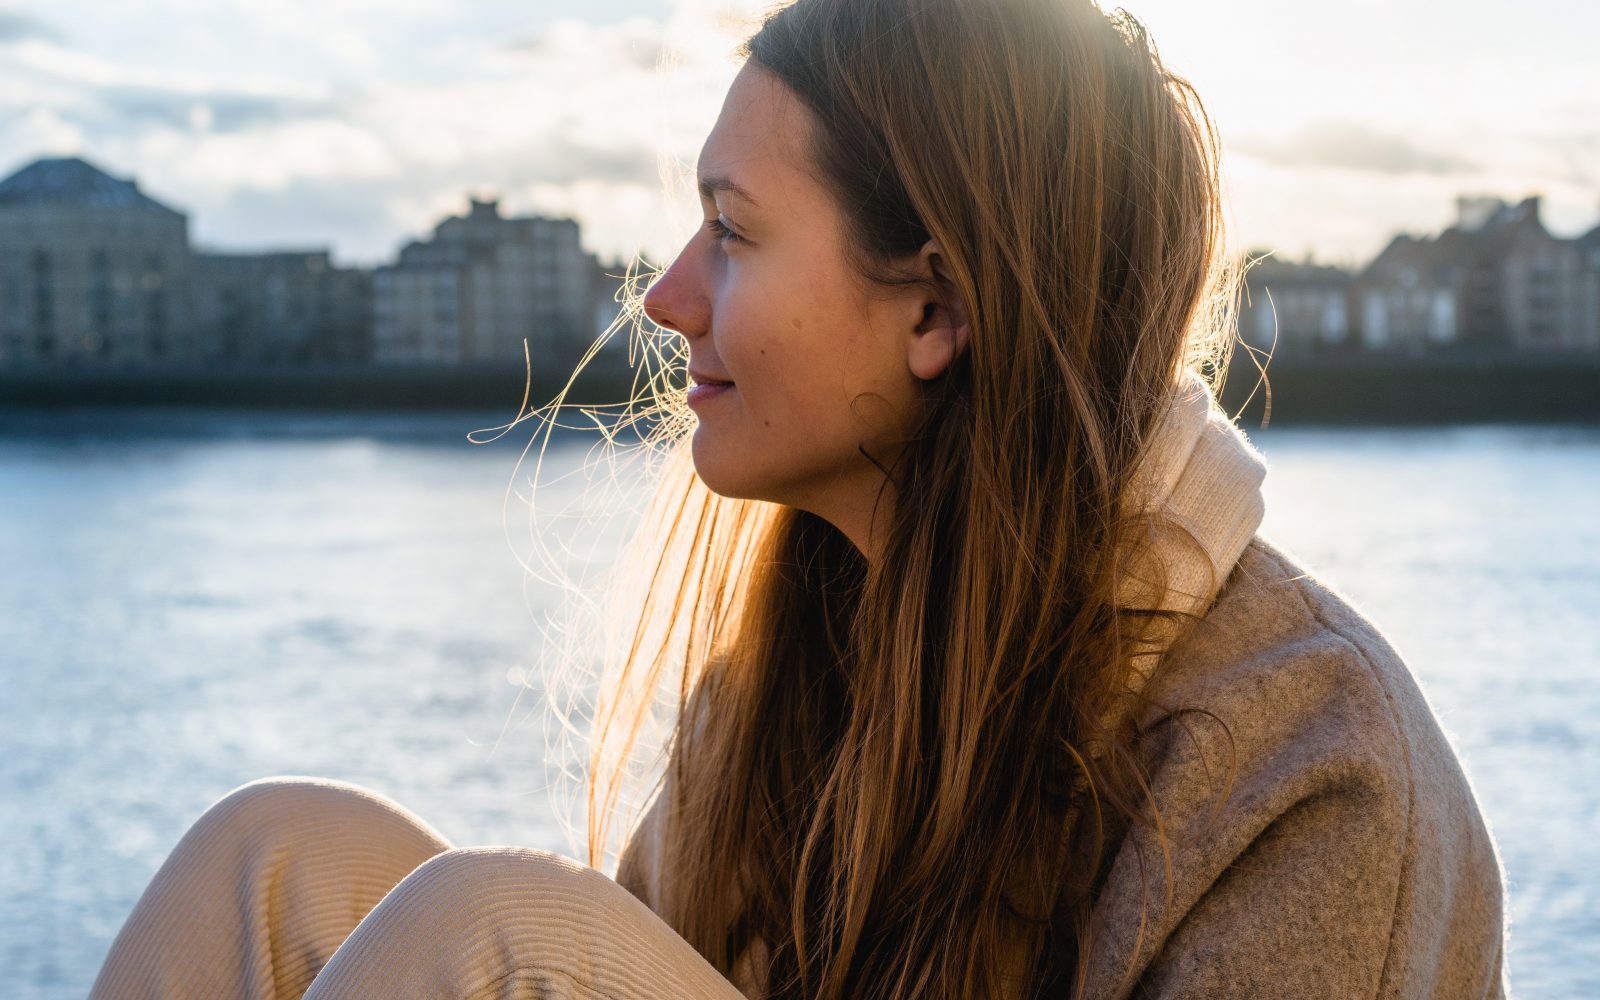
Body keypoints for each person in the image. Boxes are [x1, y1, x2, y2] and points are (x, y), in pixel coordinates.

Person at [89, 0, 1511, 997]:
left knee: (500, 937)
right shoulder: (804, 663)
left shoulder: (1312, 763)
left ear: (936, 309)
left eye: (733, 230)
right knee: (273, 861)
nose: (666, 296)